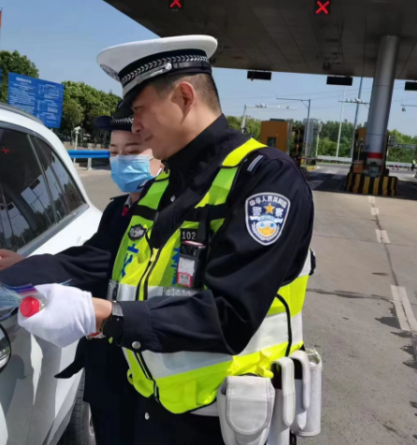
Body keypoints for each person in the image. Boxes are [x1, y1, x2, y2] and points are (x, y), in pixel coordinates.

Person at [16, 35, 315, 444]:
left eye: (139, 110)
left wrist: (104, 316)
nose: (135, 125)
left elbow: (230, 315)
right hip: (153, 411)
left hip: (228, 426)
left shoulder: (264, 179)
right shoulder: (161, 187)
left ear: (185, 96)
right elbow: (103, 262)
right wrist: (4, 274)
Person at [0, 115, 162, 445]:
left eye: (132, 151)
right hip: (105, 362)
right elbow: (87, 257)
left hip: (138, 363)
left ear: (160, 156)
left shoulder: (166, 215)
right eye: (114, 151)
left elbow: (90, 263)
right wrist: (27, 263)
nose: (121, 160)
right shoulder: (118, 210)